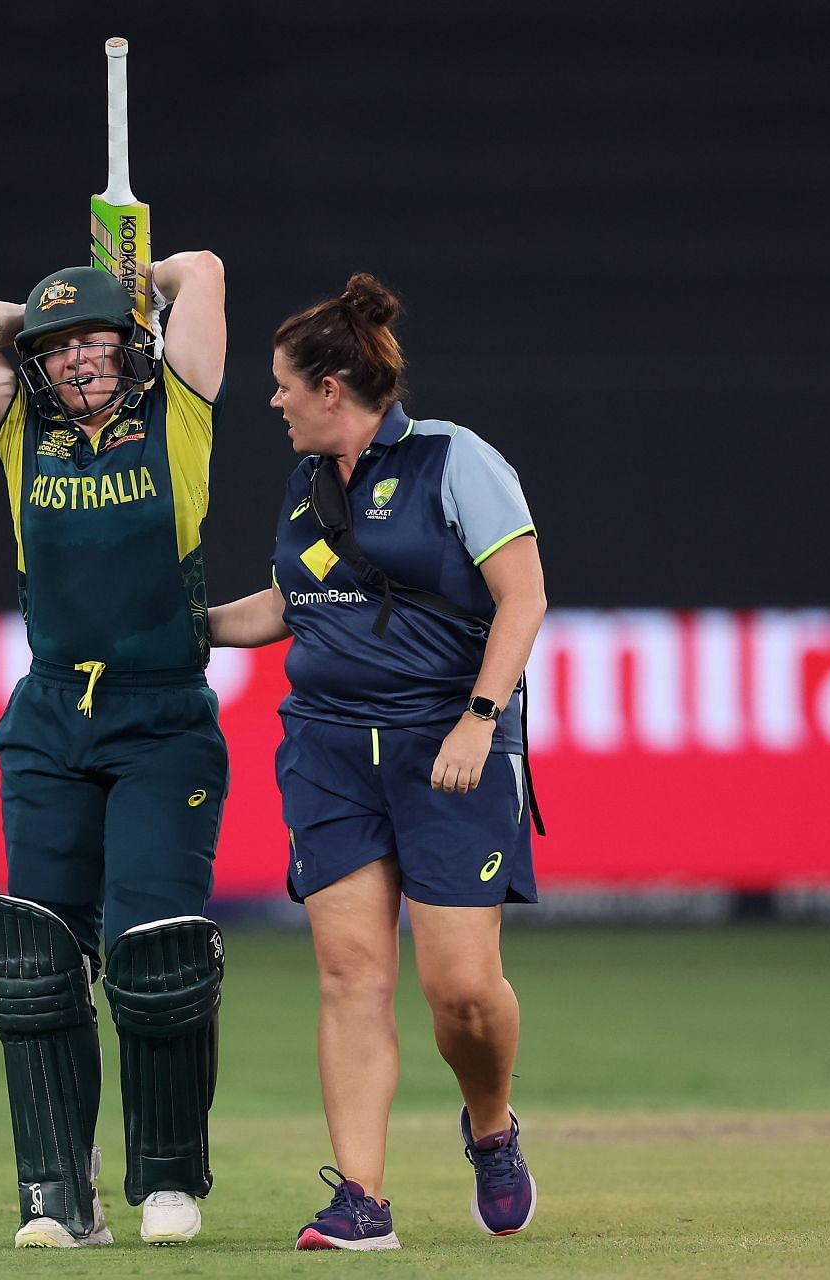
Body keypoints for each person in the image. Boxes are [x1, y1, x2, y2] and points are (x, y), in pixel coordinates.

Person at [208, 273, 547, 1250]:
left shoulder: (456, 459)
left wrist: (480, 720)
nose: (270, 401)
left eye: (280, 384)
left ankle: (490, 1125)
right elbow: (288, 606)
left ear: (330, 386)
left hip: (448, 747)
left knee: (462, 992)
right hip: (326, 747)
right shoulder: (306, 481)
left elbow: (521, 598)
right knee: (351, 972)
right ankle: (361, 1199)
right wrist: (186, 622)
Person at [0, 251, 229, 1249]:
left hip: (161, 717)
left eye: (94, 341)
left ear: (134, 347)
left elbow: (207, 271)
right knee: (37, 961)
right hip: (52, 715)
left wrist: (134, 280)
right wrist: (55, 305)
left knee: (157, 956)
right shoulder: (25, 434)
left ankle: (168, 1178)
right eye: (55, 351)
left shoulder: (181, 413)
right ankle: (59, 1191)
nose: (75, 362)